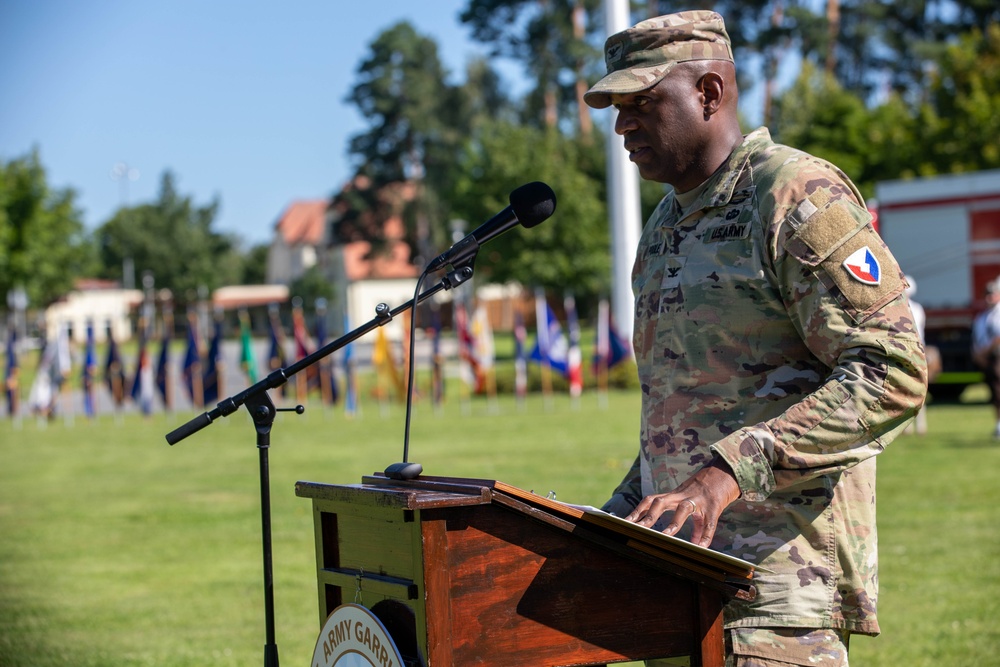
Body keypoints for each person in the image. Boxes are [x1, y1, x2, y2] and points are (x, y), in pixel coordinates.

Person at [584, 11, 927, 667]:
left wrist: (727, 471)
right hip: (678, 588)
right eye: (616, 107)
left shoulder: (795, 195)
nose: (623, 124)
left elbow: (892, 370)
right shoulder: (662, 228)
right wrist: (614, 517)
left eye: (642, 102)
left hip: (775, 600)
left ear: (710, 92)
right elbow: (684, 411)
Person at [971, 278, 1000, 438]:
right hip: (987, 359)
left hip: (997, 357)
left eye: (993, 294)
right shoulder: (982, 317)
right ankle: (998, 424)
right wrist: (977, 354)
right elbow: (977, 338)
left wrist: (984, 352)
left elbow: (997, 338)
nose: (990, 298)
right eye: (987, 295)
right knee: (995, 394)